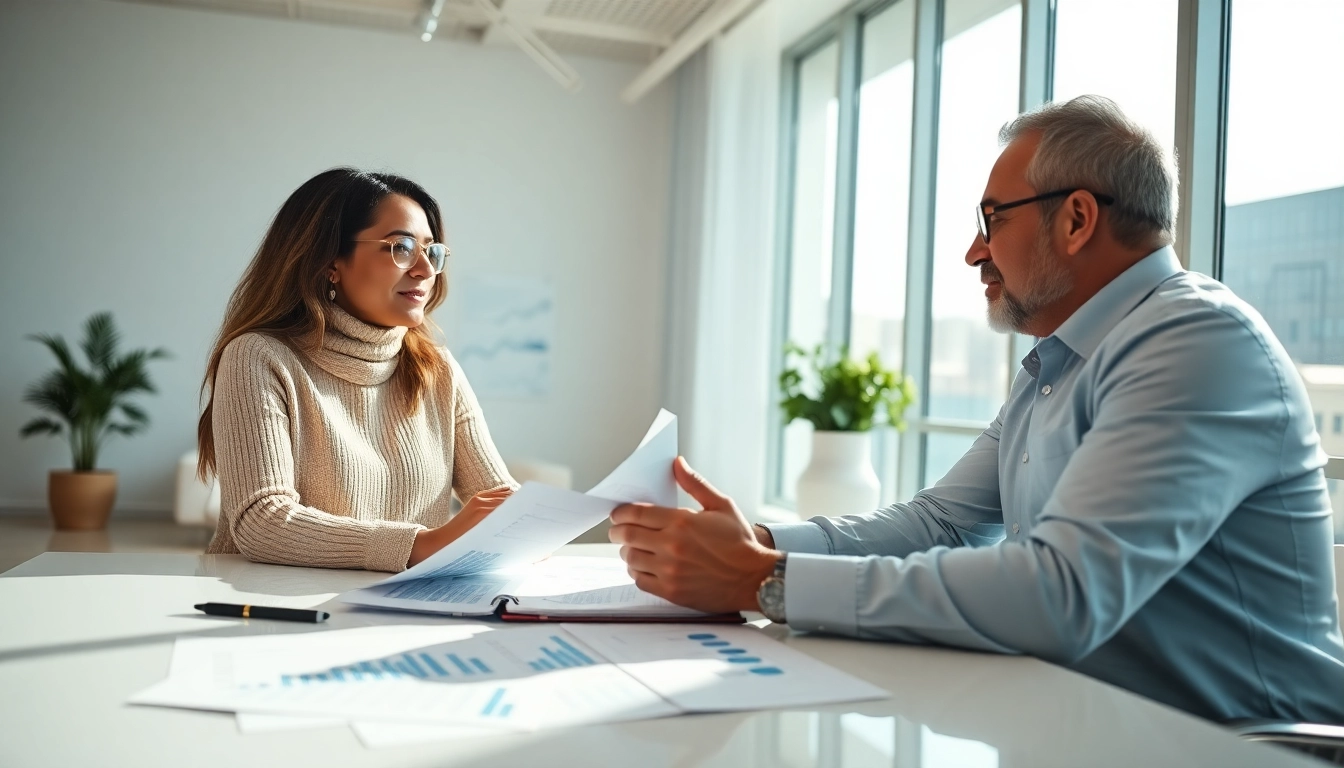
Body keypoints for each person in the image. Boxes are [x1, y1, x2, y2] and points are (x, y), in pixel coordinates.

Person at [609, 96, 1344, 723]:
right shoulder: (1061, 360)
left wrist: (764, 581)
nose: (972, 251)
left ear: (1078, 219)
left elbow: (1062, 593)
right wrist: (758, 541)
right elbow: (938, 523)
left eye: (992, 219)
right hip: (1095, 723)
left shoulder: (1195, 341)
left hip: (1239, 745)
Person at [200, 168, 516, 572]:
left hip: (398, 611)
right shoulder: (258, 357)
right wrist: (425, 545)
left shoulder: (437, 370)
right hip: (273, 611)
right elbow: (263, 522)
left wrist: (532, 525)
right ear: (330, 261)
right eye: (401, 247)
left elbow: (501, 503)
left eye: (432, 251)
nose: (425, 269)